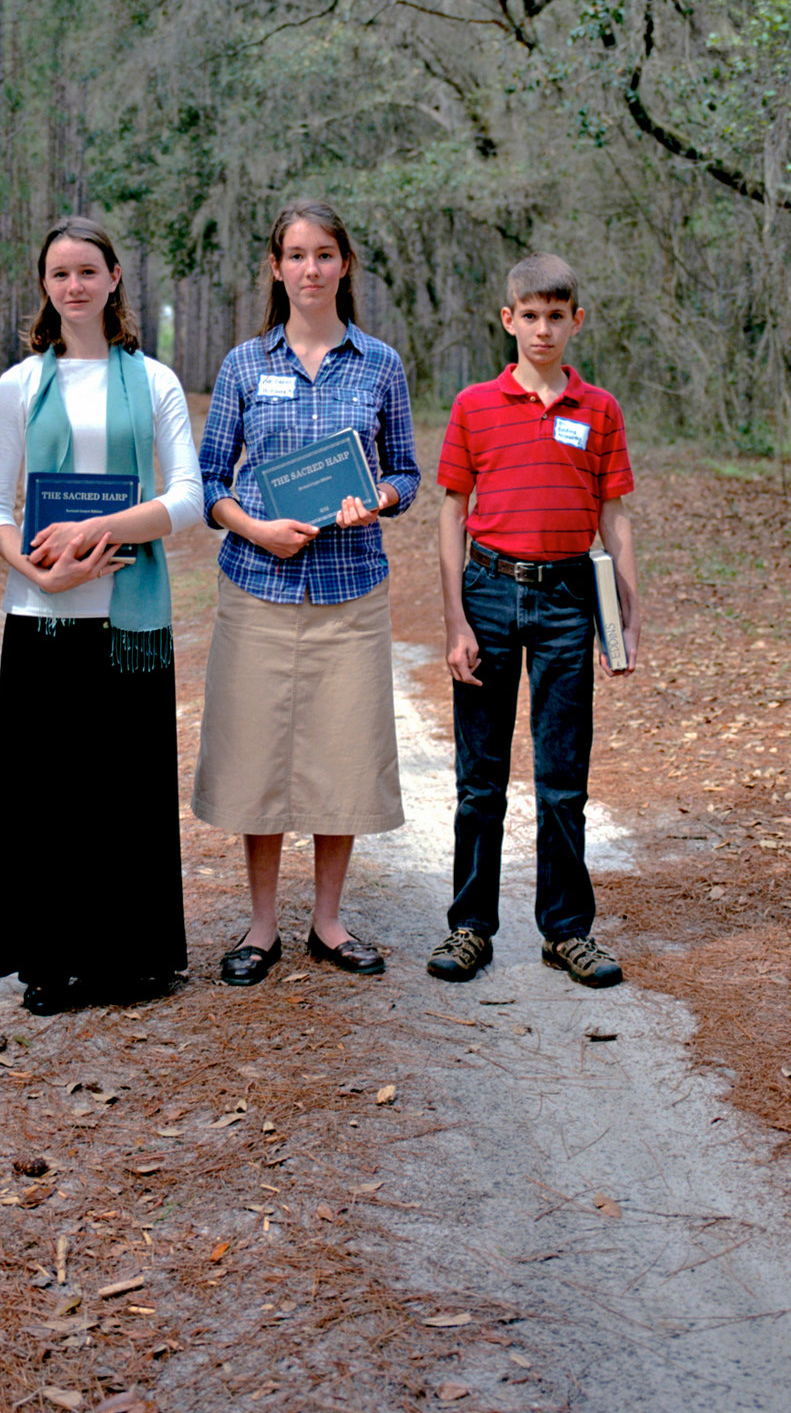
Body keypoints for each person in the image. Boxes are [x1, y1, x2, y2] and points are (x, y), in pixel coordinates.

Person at [0, 218, 202, 1015]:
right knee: (47, 791)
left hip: (130, 619)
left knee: (125, 788)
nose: (73, 285)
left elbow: (188, 498)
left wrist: (93, 531)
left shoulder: (157, 381)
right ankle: (48, 957)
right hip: (43, 612)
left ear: (113, 280)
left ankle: (127, 956)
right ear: (45, 285)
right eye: (58, 273)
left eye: (87, 271)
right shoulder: (16, 385)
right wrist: (39, 562)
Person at [193, 200, 421, 985]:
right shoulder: (244, 366)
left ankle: (328, 921)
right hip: (259, 584)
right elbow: (209, 480)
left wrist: (379, 500)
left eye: (324, 254)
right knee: (258, 758)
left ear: (344, 265)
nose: (311, 268)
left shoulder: (379, 364)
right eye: (296, 255)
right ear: (276, 267)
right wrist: (254, 529)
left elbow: (407, 472)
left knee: (339, 757)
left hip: (350, 587)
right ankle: (261, 929)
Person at [428, 253, 639, 989]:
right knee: (480, 778)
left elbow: (614, 517)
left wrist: (624, 621)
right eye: (531, 315)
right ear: (507, 318)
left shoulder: (600, 410)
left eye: (558, 316)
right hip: (488, 590)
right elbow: (452, 511)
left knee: (561, 776)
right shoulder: (474, 406)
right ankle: (469, 927)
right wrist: (456, 618)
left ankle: (566, 931)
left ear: (575, 321)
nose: (543, 329)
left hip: (566, 600)